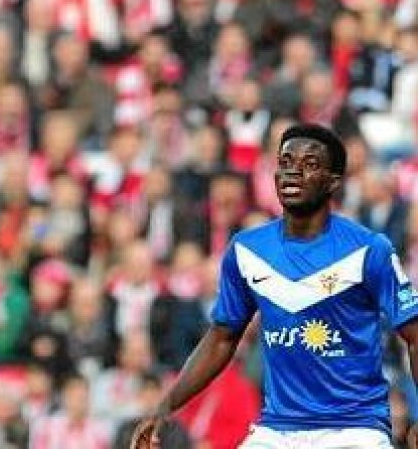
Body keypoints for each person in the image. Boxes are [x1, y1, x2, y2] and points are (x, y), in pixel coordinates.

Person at [132, 124, 418, 449]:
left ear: (333, 181)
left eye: (310, 164)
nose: (293, 171)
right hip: (278, 429)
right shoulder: (247, 251)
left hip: (354, 428)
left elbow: (414, 335)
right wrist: (165, 406)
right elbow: (222, 338)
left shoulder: (369, 249)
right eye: (285, 162)